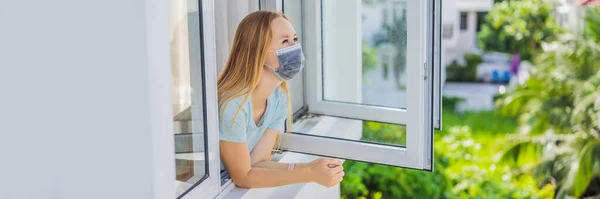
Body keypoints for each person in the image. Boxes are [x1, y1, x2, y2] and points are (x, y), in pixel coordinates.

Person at [218, 10, 344, 189]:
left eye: (295, 40)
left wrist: (311, 167)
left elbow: (258, 162)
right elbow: (243, 176)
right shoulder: (233, 104)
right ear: (258, 52)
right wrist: (309, 173)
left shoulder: (279, 99)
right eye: (285, 41)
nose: (294, 47)